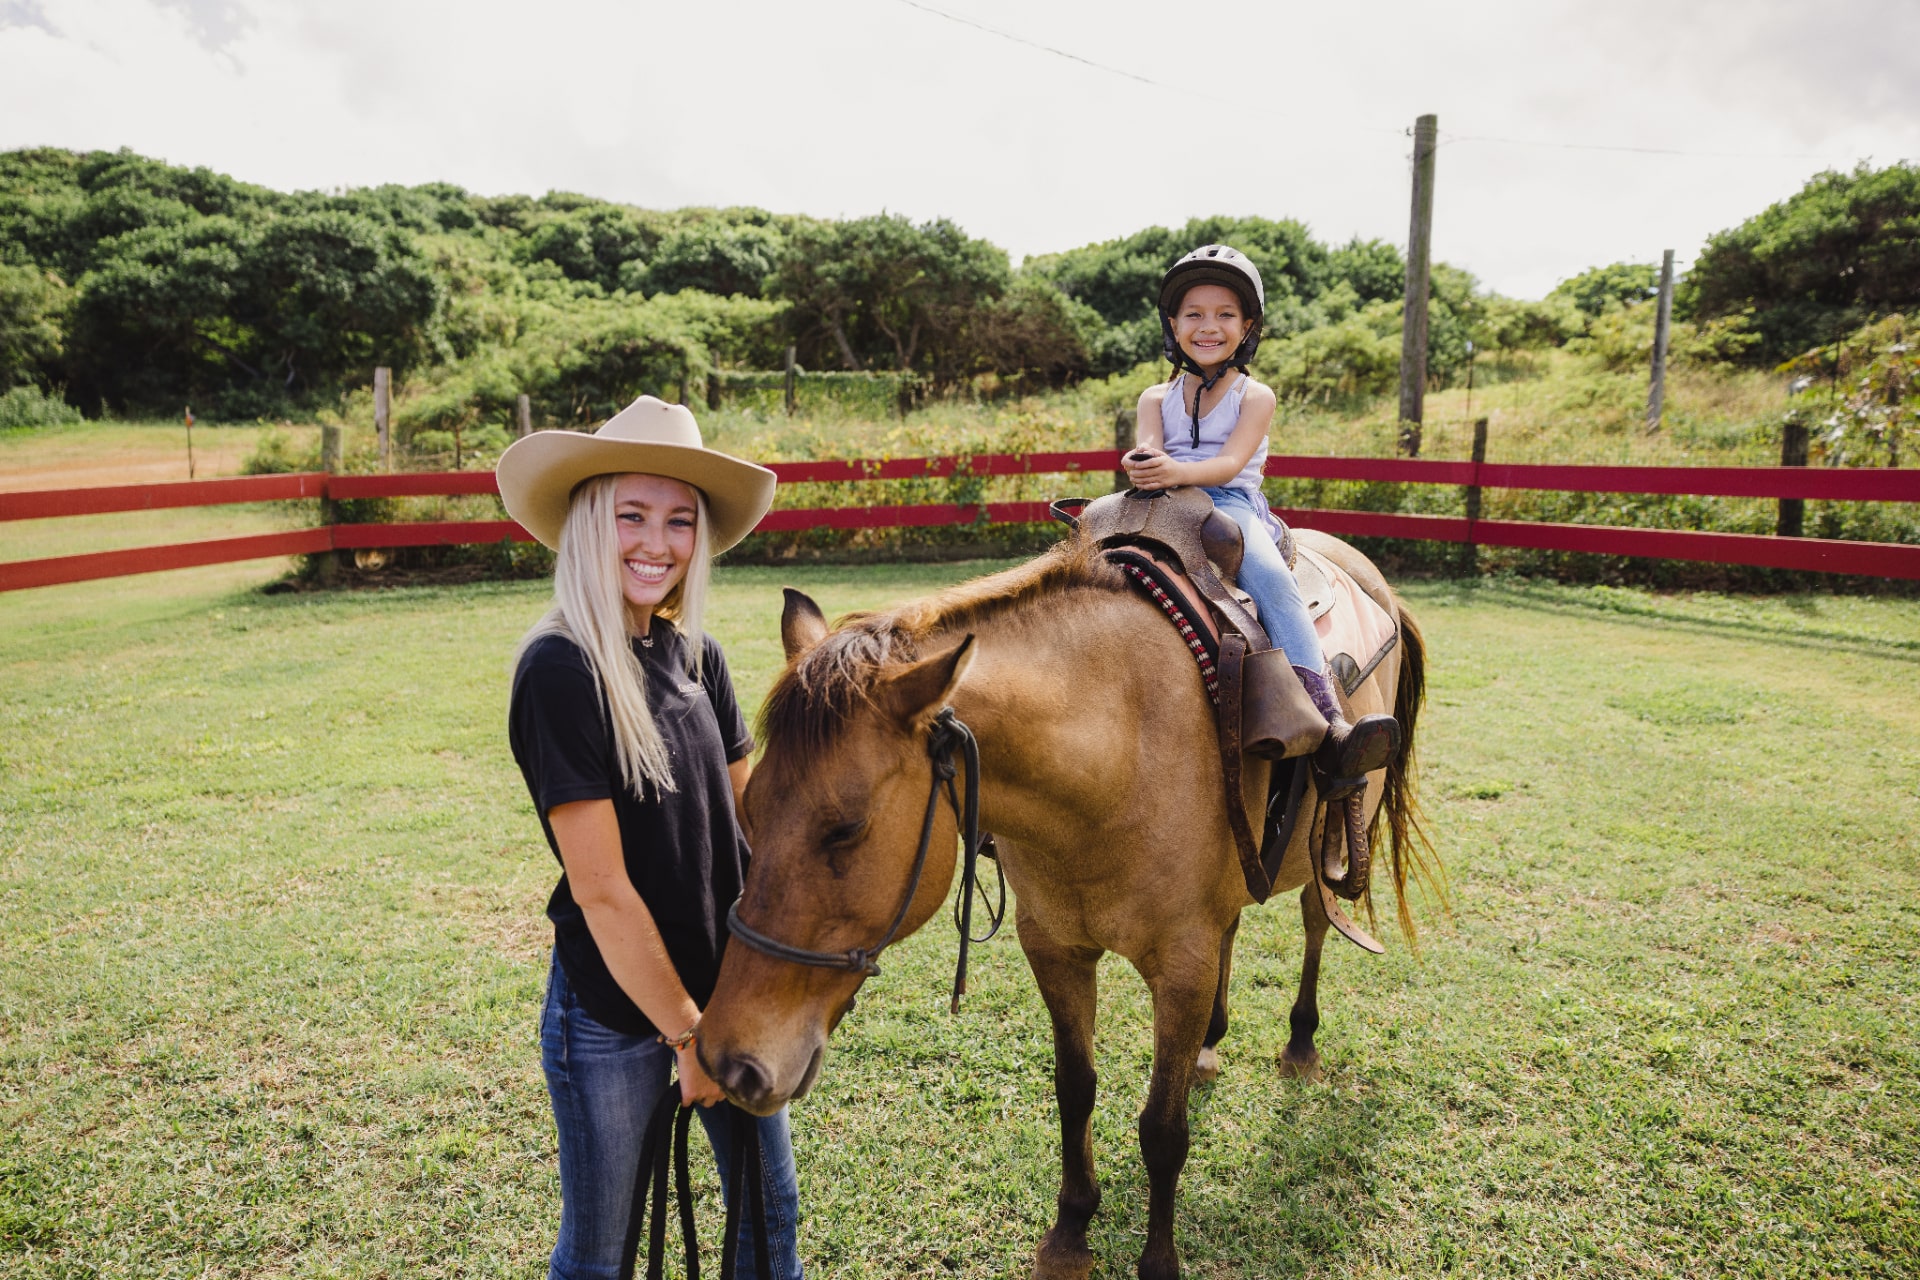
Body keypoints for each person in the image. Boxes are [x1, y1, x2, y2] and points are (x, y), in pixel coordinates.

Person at [496, 395, 802, 1280]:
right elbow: (602, 889)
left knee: (767, 1218)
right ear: (592, 521)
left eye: (678, 521)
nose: (656, 543)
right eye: (633, 515)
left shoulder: (698, 655)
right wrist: (685, 1036)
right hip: (615, 1020)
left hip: (728, 998)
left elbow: (751, 827)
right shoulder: (561, 668)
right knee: (605, 1250)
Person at [1122, 245, 1400, 786]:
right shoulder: (1155, 395)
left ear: (1246, 326)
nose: (1209, 327)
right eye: (1194, 315)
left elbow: (1229, 464)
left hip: (1228, 504)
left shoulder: (1256, 395)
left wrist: (1174, 471)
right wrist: (1141, 464)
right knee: (1089, 545)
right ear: (1173, 324)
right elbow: (1148, 447)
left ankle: (1324, 712)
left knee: (1271, 579)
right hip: (1161, 501)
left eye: (1225, 315)